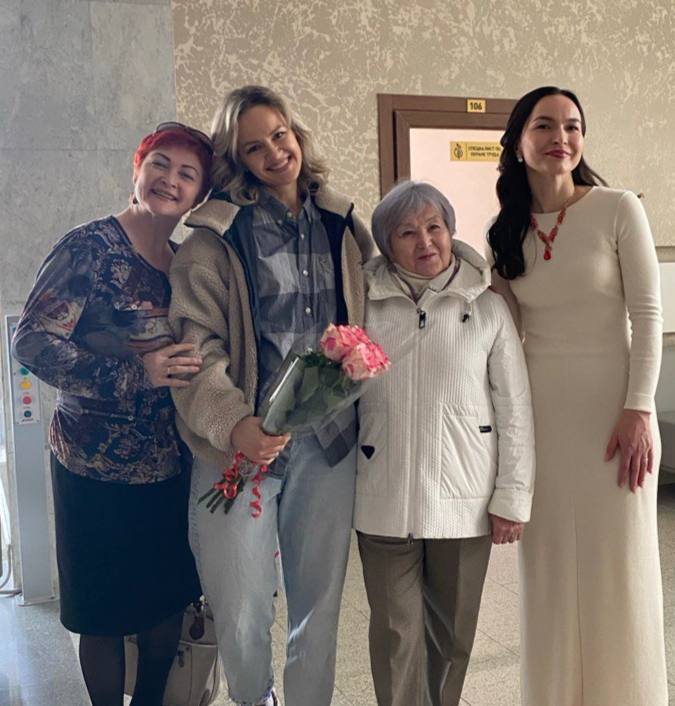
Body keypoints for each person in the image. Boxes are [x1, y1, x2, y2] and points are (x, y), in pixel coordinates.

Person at [168, 85, 374, 706]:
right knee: (240, 608)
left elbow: (388, 293)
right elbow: (196, 349)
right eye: (254, 147)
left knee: (319, 606)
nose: (275, 153)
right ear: (237, 160)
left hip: (329, 445)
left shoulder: (343, 225)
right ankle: (254, 698)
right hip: (238, 448)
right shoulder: (213, 240)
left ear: (296, 133)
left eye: (280, 135)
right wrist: (235, 425)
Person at [12, 122, 212, 706]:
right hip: (92, 465)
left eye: (187, 173)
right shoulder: (90, 248)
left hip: (171, 464)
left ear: (199, 194)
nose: (170, 180)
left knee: (164, 606)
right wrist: (135, 373)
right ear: (138, 168)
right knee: (101, 614)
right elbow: (32, 343)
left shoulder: (185, 263)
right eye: (160, 164)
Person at [488, 86, 668, 706]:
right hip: (541, 417)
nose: (560, 137)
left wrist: (639, 407)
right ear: (518, 142)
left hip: (618, 412)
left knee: (618, 566)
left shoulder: (619, 208)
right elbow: (504, 337)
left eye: (572, 126)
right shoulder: (505, 232)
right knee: (550, 568)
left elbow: (648, 316)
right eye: (544, 125)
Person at [354, 180, 535, 706]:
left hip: (465, 500)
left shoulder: (487, 306)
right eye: (407, 233)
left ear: (451, 231)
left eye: (434, 227)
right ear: (387, 245)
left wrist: (511, 498)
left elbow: (515, 410)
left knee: (451, 637)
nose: (425, 241)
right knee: (395, 635)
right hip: (384, 497)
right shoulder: (362, 304)